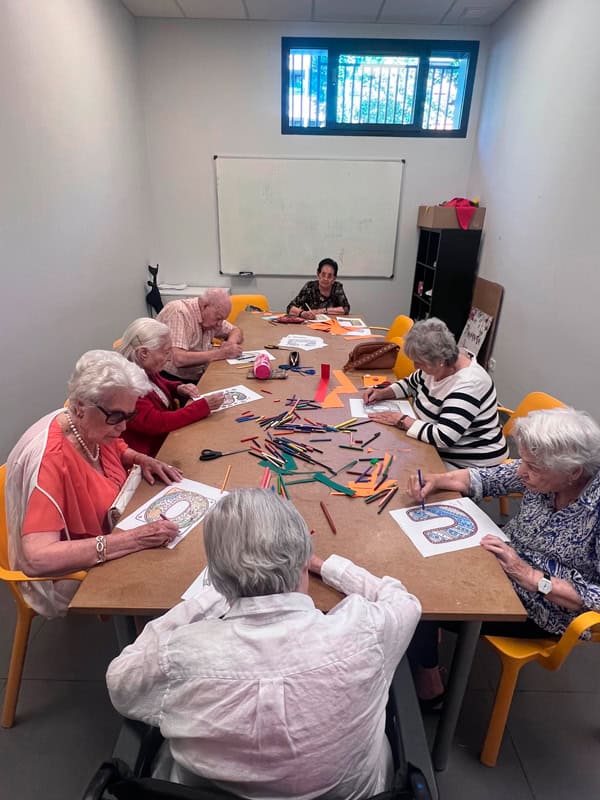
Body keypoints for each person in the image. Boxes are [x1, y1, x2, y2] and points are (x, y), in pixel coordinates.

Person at [107, 489, 421, 799]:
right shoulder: (365, 630)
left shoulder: (180, 655)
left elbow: (121, 684)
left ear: (217, 576)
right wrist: (325, 566)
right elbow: (404, 602)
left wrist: (213, 597)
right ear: (301, 564)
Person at [406, 407, 600, 705]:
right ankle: (428, 641)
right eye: (523, 460)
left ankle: (430, 686)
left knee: (425, 599)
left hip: (543, 606)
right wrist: (436, 481)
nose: (522, 472)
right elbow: (487, 478)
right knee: (422, 565)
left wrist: (532, 577)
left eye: (533, 467)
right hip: (506, 558)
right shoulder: (547, 470)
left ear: (574, 472)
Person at [6, 350, 182, 618]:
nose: (123, 428)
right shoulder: (51, 459)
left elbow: (116, 445)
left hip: (110, 527)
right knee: (168, 584)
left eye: (130, 415)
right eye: (116, 417)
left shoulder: (90, 425)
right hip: (66, 572)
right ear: (79, 407)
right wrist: (134, 539)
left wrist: (140, 458)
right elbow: (37, 559)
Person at [365, 317, 508, 468]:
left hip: (468, 463)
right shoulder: (436, 365)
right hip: (431, 447)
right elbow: (410, 384)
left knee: (401, 473)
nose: (415, 367)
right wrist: (382, 393)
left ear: (440, 361)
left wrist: (401, 420)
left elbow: (443, 437)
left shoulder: (469, 384)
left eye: (418, 362)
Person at [117, 318, 224, 457]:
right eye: (166, 352)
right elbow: (156, 422)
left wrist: (178, 387)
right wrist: (202, 407)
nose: (169, 358)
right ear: (144, 353)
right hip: (152, 453)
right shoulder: (128, 386)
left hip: (167, 439)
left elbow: (158, 384)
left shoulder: (144, 369)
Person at [157, 288, 244, 382]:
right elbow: (179, 359)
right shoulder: (179, 312)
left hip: (198, 374)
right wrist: (221, 353)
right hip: (170, 379)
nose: (219, 324)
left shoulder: (211, 317)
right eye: (218, 318)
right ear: (204, 306)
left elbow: (236, 330)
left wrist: (230, 343)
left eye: (222, 319)